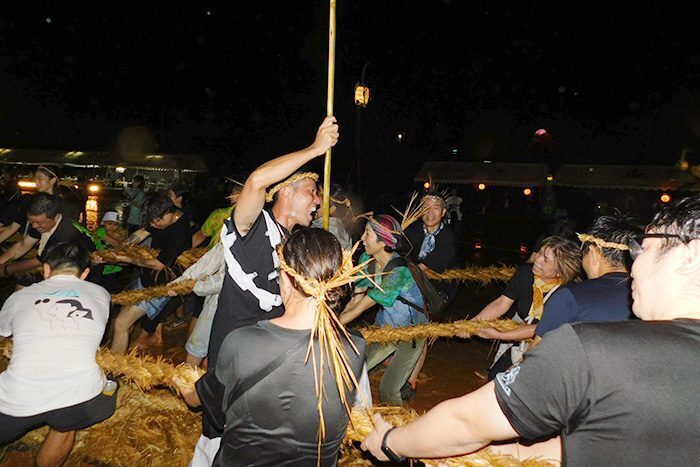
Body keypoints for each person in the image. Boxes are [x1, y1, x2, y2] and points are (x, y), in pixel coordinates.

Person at [360, 194, 700, 466]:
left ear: (690, 254)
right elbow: (592, 442)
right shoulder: (531, 282)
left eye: (646, 248)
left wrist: (393, 442)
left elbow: (469, 421)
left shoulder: (586, 343)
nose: (634, 262)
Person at [193, 116, 337, 458]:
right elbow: (257, 181)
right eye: (311, 191)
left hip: (273, 361)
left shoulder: (296, 246)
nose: (318, 200)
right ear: (285, 190)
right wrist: (316, 148)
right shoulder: (254, 228)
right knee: (219, 443)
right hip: (234, 359)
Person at [174, 228, 365, 466]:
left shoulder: (242, 342)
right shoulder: (354, 347)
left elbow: (198, 402)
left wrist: (181, 380)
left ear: (285, 278)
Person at [0, 242, 117, 466]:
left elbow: (4, 334)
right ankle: (63, 427)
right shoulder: (102, 293)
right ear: (85, 274)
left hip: (16, 395)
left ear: (46, 269)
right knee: (100, 391)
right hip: (82, 396)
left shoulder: (18, 297)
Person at [340, 214, 427, 405]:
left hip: (410, 333)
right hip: (385, 326)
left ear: (383, 242)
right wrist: (335, 321)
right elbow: (356, 300)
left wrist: (328, 328)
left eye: (368, 234)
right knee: (355, 370)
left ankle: (399, 430)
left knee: (388, 390)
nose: (362, 238)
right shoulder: (367, 259)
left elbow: (359, 309)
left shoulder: (397, 272)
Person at [469, 236, 581, 380]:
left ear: (560, 272)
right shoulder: (525, 274)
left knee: (521, 383)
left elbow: (539, 329)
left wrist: (498, 335)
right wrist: (472, 324)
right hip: (521, 329)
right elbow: (502, 303)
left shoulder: (567, 294)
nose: (537, 259)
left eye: (545, 259)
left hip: (548, 345)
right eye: (539, 252)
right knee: (496, 377)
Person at [532, 213, 641, 346]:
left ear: (594, 252)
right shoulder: (649, 298)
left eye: (584, 253)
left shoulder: (569, 297)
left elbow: (535, 358)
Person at [108, 193, 191, 353]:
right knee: (122, 322)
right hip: (147, 278)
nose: (154, 225)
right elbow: (141, 233)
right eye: (151, 221)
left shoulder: (180, 233)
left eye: (157, 221)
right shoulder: (163, 217)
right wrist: (121, 249)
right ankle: (117, 356)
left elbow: (159, 265)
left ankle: (113, 369)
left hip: (161, 284)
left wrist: (128, 259)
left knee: (121, 323)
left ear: (169, 213)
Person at [403, 192, 458, 398]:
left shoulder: (448, 237)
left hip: (438, 290)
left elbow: (421, 267)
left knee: (421, 330)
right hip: (412, 284)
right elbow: (401, 254)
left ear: (443, 212)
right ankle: (396, 361)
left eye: (436, 208)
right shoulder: (412, 231)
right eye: (426, 207)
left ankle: (412, 380)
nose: (430, 212)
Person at [0, 193, 96, 285]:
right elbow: (23, 245)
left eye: (38, 222)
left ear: (56, 217)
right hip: (52, 261)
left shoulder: (66, 234)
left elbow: (38, 262)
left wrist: (7, 270)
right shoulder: (42, 223)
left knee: (28, 281)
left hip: (82, 267)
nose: (34, 226)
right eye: (31, 221)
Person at [0, 166, 61, 245]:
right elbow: (13, 227)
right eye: (35, 178)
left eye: (40, 178)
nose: (36, 181)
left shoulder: (60, 204)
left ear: (53, 180)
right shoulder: (30, 201)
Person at [191, 185, 242, 250]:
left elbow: (201, 235)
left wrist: (183, 250)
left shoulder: (220, 215)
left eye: (233, 193)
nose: (230, 196)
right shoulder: (255, 219)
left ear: (238, 196)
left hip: (216, 257)